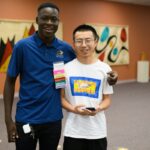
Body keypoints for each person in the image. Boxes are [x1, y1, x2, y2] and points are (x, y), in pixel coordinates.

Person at [3, 2, 117, 150]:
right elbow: (10, 82)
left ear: (58, 21)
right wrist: (8, 120)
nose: (49, 23)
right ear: (37, 20)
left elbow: (87, 62)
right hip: (26, 117)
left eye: (54, 19)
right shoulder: (22, 47)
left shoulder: (65, 49)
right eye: (45, 18)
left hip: (53, 119)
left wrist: (111, 74)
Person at [61, 24, 114, 150]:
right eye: (79, 41)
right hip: (73, 131)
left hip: (97, 131)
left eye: (88, 40)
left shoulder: (105, 69)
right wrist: (74, 109)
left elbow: (107, 99)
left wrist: (99, 108)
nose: (84, 45)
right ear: (73, 44)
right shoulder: (63, 69)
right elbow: (61, 98)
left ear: (95, 42)